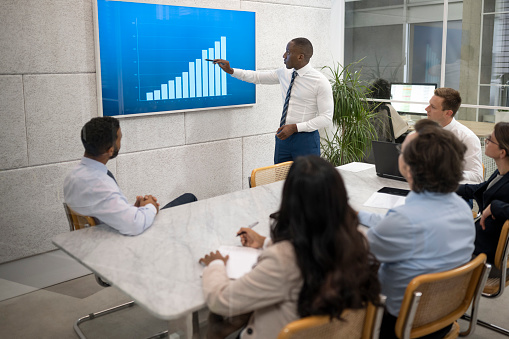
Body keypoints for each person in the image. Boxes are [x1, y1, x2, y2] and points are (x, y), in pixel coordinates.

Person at [199, 156, 381, 339]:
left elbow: (221, 300)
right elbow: (312, 249)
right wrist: (264, 242)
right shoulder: (358, 240)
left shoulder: (281, 260)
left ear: (290, 202)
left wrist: (215, 265)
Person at [358, 119, 475, 339]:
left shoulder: (404, 221)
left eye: (402, 150)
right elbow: (394, 227)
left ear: (410, 167)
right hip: (442, 318)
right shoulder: (461, 209)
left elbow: (355, 257)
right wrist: (357, 216)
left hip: (397, 326)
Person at [64, 117, 197, 236]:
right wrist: (150, 206)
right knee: (189, 198)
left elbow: (105, 208)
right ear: (110, 150)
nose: (121, 143)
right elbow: (134, 225)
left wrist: (133, 209)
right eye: (120, 139)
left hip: (103, 232)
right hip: (122, 239)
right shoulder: (100, 183)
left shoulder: (73, 176)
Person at [212, 37, 333, 164]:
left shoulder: (320, 82)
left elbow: (326, 117)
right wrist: (231, 71)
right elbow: (257, 77)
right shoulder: (284, 73)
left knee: (306, 183)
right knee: (280, 181)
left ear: (300, 57)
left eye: (288, 52)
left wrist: (295, 128)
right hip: (283, 137)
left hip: (306, 140)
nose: (284, 55)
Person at [457, 122, 509, 264]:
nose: (486, 141)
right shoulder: (501, 173)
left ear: (502, 152)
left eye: (490, 140)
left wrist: (495, 207)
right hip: (479, 244)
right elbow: (480, 189)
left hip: (483, 258)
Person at [425, 87, 483, 183]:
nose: (426, 109)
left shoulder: (467, 138)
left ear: (448, 113)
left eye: (433, 107)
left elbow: (477, 177)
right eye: (429, 104)